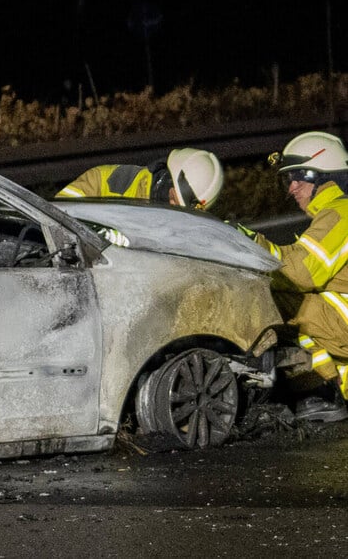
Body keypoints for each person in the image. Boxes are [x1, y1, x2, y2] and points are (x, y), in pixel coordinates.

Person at [238, 130, 348, 422]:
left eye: (299, 177)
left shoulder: (340, 213)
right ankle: (325, 389)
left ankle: (312, 389)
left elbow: (300, 273)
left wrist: (248, 241)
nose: (292, 188)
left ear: (324, 177)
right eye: (289, 180)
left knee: (274, 298)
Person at [55, 147, 224, 210]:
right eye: (173, 197)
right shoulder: (106, 181)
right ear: (167, 177)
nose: (173, 207)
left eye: (181, 209)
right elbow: (56, 217)